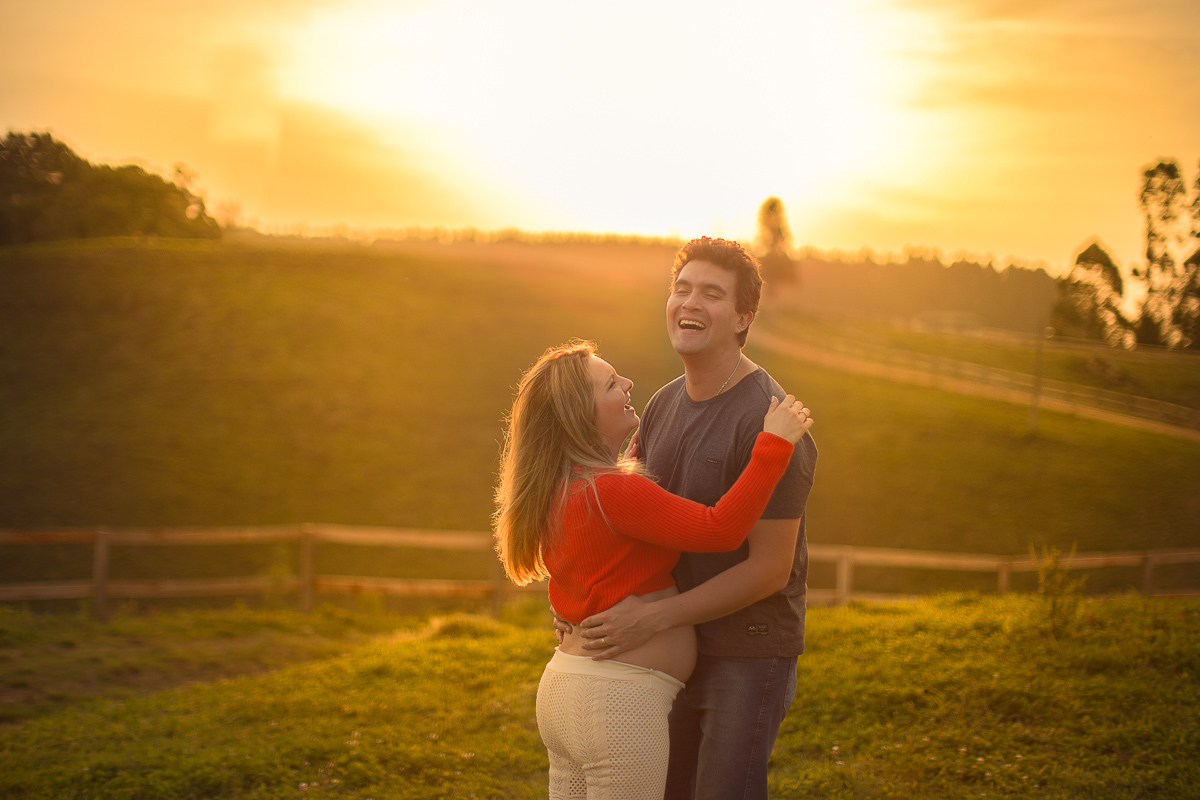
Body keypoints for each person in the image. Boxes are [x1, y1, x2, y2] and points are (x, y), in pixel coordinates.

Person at [493, 339, 813, 800]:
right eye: (610, 384)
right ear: (582, 415)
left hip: (567, 690)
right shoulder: (613, 492)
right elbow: (720, 529)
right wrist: (773, 446)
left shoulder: (559, 487)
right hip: (614, 703)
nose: (626, 384)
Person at [573, 237, 819, 800]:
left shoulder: (770, 420)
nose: (690, 303)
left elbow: (769, 571)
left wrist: (655, 620)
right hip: (670, 652)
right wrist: (581, 606)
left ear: (743, 317)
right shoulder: (661, 405)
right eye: (681, 288)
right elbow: (620, 517)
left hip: (746, 652)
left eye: (712, 294)